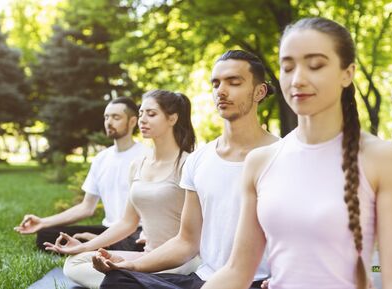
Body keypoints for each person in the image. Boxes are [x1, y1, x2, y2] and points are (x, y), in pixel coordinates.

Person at [202, 17, 392, 289]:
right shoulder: (260, 162)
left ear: (347, 73)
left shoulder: (383, 158)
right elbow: (237, 271)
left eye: (315, 65)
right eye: (287, 67)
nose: (297, 79)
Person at [94, 50, 278, 289]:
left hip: (258, 283)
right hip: (203, 280)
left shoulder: (281, 155)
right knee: (118, 280)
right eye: (216, 84)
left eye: (234, 82)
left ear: (259, 91)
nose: (221, 91)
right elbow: (186, 241)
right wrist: (133, 265)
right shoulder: (200, 159)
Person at [43, 89, 200, 289]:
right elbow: (127, 222)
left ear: (172, 118)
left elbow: (197, 232)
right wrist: (84, 246)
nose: (143, 119)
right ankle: (142, 283)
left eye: (151, 114)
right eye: (141, 113)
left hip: (181, 261)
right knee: (75, 263)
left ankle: (135, 281)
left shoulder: (189, 164)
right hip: (147, 255)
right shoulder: (137, 164)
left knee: (117, 276)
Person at [14, 97, 149, 252]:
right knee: (45, 235)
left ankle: (97, 244)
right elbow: (86, 207)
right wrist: (43, 222)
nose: (109, 122)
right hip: (108, 229)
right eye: (106, 117)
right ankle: (98, 244)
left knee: (138, 244)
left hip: (136, 232)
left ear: (132, 121)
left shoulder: (146, 156)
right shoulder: (101, 158)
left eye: (116, 117)